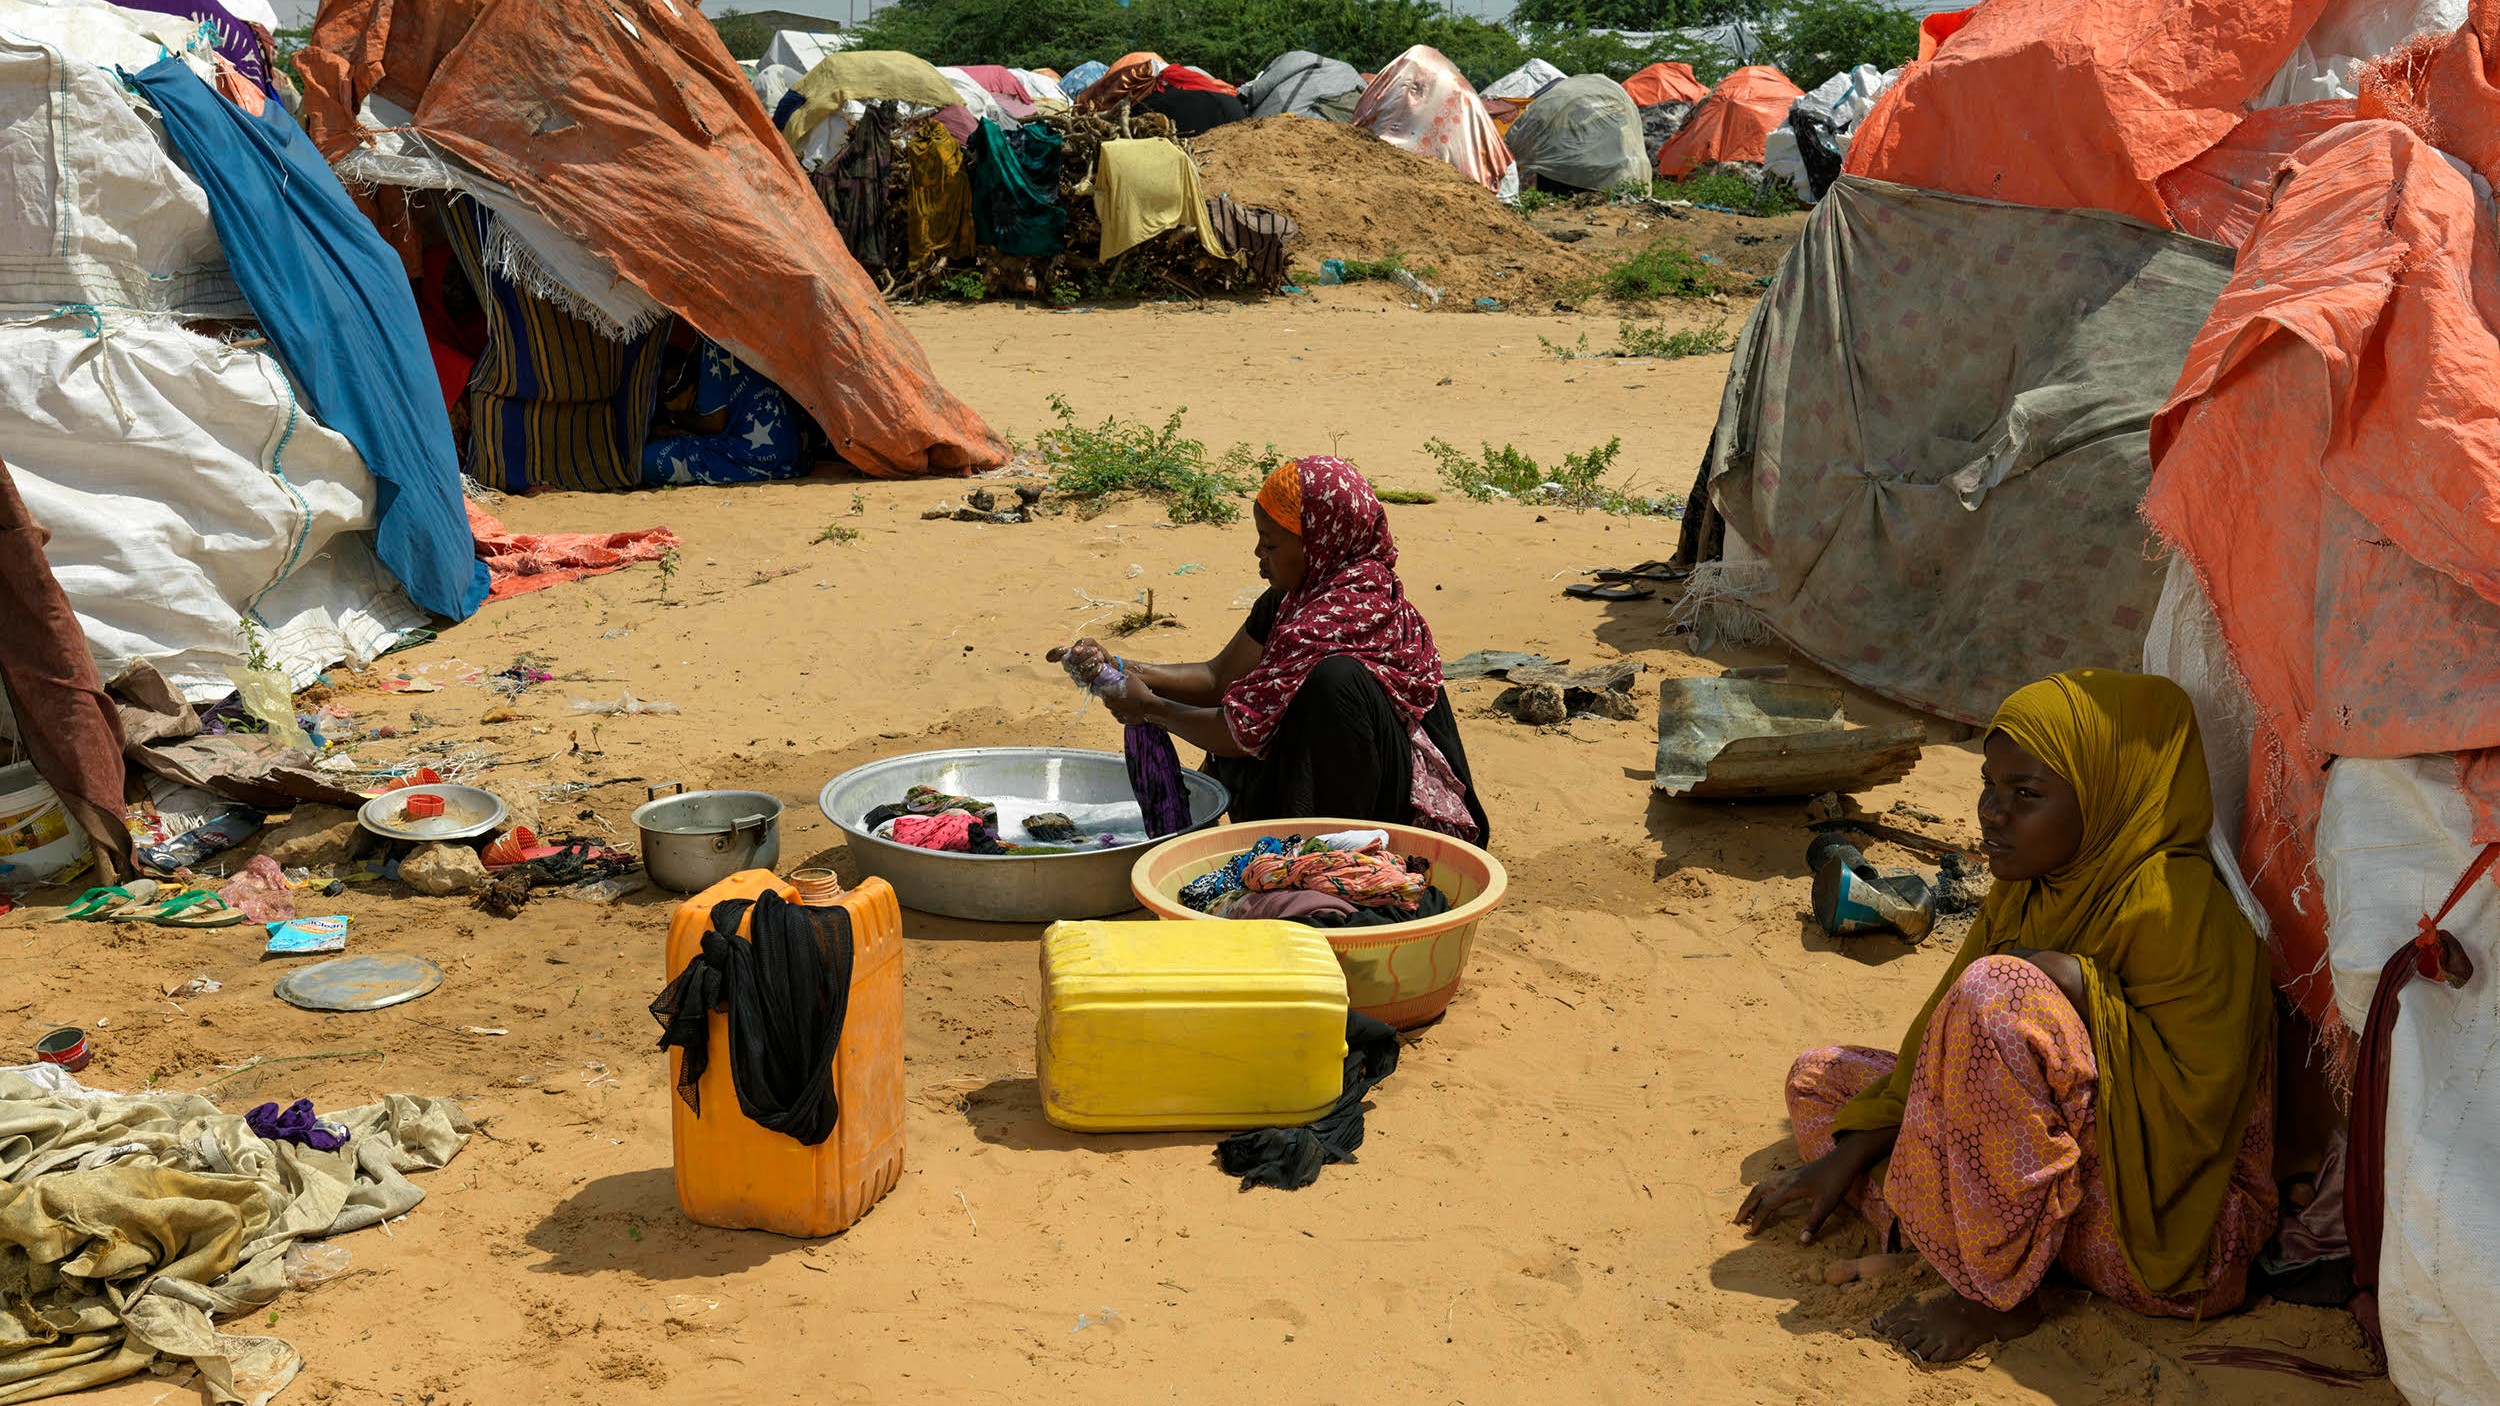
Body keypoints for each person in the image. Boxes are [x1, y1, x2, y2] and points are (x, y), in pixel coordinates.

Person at [1735, 670, 2275, 1362]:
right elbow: (1935, 1043)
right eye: (1991, 785)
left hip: (2169, 1231)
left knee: (1997, 992)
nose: (1993, 811)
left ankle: (1993, 1296)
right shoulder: (2028, 889)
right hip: (2048, 1181)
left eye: (2027, 795)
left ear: (2110, 794)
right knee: (1819, 1082)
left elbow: (2198, 1120)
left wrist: (2072, 983)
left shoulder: (2183, 908)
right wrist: (1849, 1154)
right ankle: (1978, 1247)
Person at [1050, 456, 1489, 842]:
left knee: (1331, 683)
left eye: (1273, 543)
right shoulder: (1288, 600)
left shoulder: (1352, 611)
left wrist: (1152, 709)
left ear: (1319, 543)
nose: (1259, 553)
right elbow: (1218, 680)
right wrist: (1122, 668)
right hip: (1319, 777)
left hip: (1386, 808)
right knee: (1259, 699)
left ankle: (1332, 854)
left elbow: (1240, 732)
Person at [641, 330, 806, 488]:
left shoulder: (713, 347)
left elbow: (715, 423)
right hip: (791, 453)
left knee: (648, 460)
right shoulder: (753, 332)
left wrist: (672, 419)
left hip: (752, 457)